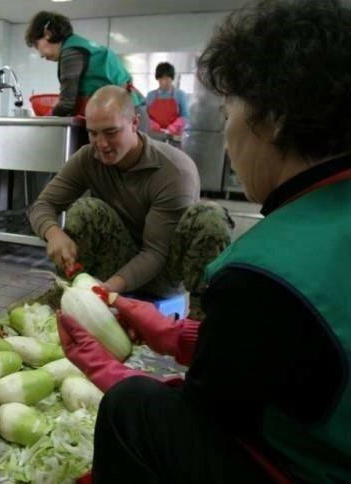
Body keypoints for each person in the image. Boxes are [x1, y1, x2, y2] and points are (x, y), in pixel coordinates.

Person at [58, 0, 351, 481]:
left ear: (274, 118)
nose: (230, 134)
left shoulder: (264, 271)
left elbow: (208, 419)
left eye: (231, 109)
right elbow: (292, 358)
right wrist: (175, 334)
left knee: (133, 406)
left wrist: (109, 372)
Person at [28, 85, 233, 319]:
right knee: (87, 210)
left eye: (111, 132)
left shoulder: (174, 169)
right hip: (117, 259)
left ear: (135, 123)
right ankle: (67, 296)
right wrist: (53, 232)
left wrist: (106, 289)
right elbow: (41, 206)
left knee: (210, 218)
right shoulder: (88, 158)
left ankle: (201, 322)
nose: (102, 144)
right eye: (93, 133)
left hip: (164, 271)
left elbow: (155, 252)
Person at [24, 11, 145, 124]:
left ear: (47, 34)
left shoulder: (71, 52)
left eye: (36, 44)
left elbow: (67, 104)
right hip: (131, 108)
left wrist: (44, 121)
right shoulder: (80, 45)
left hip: (126, 114)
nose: (40, 54)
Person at [146, 62, 190, 139]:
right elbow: (145, 115)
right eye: (161, 78)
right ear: (157, 79)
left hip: (174, 136)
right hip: (155, 135)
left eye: (167, 78)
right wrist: (153, 125)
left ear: (172, 78)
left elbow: (185, 116)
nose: (164, 82)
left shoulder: (180, 95)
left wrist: (173, 128)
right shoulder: (150, 95)